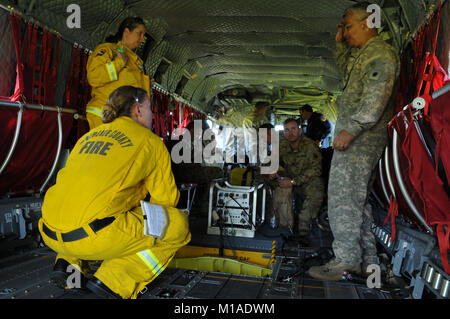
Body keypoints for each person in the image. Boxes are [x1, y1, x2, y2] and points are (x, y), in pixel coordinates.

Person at [39, 86, 191, 299]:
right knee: (176, 225)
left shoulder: (88, 137)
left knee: (82, 206)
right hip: (95, 237)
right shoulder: (150, 142)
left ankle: (68, 267)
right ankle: (113, 281)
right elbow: (165, 202)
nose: (152, 114)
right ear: (137, 110)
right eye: (149, 108)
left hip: (50, 231)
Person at [308, 3, 400, 280]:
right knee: (358, 203)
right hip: (360, 135)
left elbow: (376, 94)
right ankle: (366, 263)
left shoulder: (380, 54)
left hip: (361, 137)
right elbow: (347, 68)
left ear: (368, 23)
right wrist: (339, 44)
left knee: (343, 197)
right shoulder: (365, 54)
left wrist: (353, 128)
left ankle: (345, 260)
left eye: (348, 27)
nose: (345, 32)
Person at [85, 17, 154, 129]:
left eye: (143, 35)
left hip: (125, 120)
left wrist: (147, 83)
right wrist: (118, 63)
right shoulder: (108, 50)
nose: (142, 39)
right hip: (104, 117)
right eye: (139, 33)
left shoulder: (137, 62)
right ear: (126, 32)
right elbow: (93, 76)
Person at [269, 118, 324, 245]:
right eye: (286, 130)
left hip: (309, 181)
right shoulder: (282, 146)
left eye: (293, 129)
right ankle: (276, 224)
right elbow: (271, 160)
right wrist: (272, 169)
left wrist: (293, 181)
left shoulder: (310, 146)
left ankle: (304, 234)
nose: (290, 133)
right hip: (290, 178)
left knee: (315, 192)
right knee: (266, 184)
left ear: (300, 130)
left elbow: (316, 169)